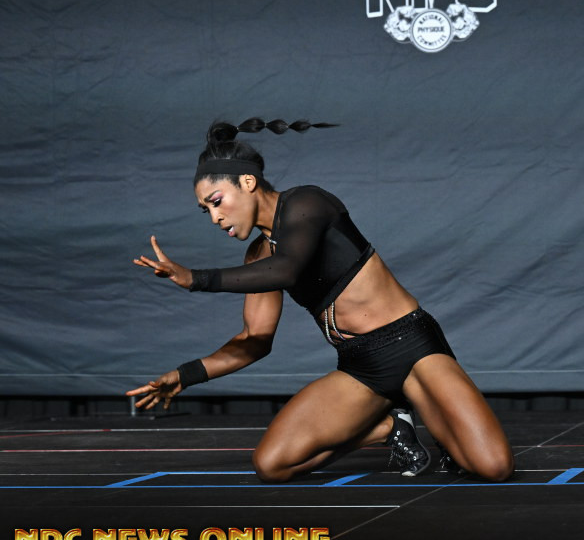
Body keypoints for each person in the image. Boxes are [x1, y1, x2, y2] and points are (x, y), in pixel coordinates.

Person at [128, 118, 514, 483]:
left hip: (410, 348)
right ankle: (389, 427)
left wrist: (196, 279)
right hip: (361, 368)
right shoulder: (258, 256)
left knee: (492, 466)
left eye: (216, 201)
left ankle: (441, 428)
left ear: (247, 182)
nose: (215, 217)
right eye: (206, 210)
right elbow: (254, 340)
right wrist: (186, 375)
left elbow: (287, 269)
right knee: (271, 465)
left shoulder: (307, 204)